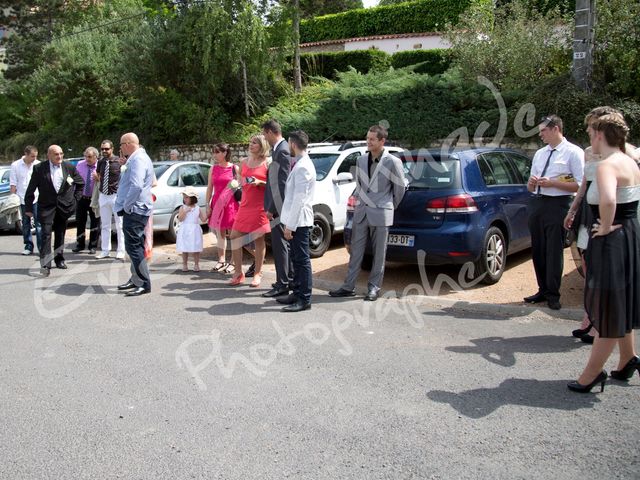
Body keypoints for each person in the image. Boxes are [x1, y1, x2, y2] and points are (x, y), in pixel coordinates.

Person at [568, 112, 640, 393]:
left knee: (609, 307)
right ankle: (626, 360)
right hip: (631, 234)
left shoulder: (607, 165)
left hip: (613, 240)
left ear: (599, 134)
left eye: (589, 132)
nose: (589, 137)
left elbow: (608, 198)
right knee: (621, 301)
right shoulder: (629, 162)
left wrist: (607, 226)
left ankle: (591, 375)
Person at [329, 125, 405, 301]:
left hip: (381, 212)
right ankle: (348, 286)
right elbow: (360, 186)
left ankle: (374, 288)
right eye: (367, 138)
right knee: (356, 252)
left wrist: (389, 206)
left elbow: (400, 188)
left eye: (372, 139)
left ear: (382, 141)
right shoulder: (361, 160)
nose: (368, 142)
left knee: (379, 253)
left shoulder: (393, 162)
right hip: (362, 211)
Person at [524, 115, 584, 311]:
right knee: (538, 249)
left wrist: (554, 183)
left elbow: (581, 184)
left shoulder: (573, 152)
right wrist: (532, 184)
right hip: (538, 203)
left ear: (556, 128)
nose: (540, 134)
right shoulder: (540, 154)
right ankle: (542, 289)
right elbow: (530, 187)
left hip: (558, 204)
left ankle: (553, 293)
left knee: (553, 250)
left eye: (543, 130)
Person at [24, 145, 84, 276]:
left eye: (61, 153)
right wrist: (28, 207)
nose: (60, 156)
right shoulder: (39, 168)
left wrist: (75, 201)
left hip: (64, 207)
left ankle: (59, 259)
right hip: (46, 207)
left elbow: (80, 183)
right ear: (49, 155)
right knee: (45, 234)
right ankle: (45, 264)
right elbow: (31, 189)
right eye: (56, 154)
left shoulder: (68, 167)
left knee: (60, 234)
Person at [274, 130, 316, 312]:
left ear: (292, 143)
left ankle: (304, 298)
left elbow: (299, 199)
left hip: (299, 221)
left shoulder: (303, 166)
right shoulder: (301, 163)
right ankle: (297, 293)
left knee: (302, 260)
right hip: (296, 220)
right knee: (296, 259)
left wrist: (290, 226)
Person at [114, 133, 155, 297]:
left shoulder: (138, 159)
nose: (121, 148)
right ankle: (136, 278)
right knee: (134, 246)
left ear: (129, 143)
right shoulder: (138, 158)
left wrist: (126, 206)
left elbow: (137, 186)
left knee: (134, 246)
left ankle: (144, 283)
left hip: (135, 209)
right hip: (138, 208)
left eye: (122, 144)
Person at [228, 134, 271, 287]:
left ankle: (258, 273)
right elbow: (240, 181)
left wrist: (260, 182)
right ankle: (238, 273)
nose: (251, 144)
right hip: (245, 205)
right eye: (250, 142)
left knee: (258, 240)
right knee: (234, 236)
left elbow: (272, 186)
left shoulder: (267, 163)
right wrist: (235, 184)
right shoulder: (243, 162)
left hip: (260, 206)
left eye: (255, 142)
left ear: (262, 145)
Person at [261, 119, 293, 298]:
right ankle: (285, 279)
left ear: (270, 132)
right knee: (281, 246)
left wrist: (272, 208)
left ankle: (283, 283)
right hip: (278, 206)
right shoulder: (278, 150)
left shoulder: (282, 150)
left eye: (265, 134)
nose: (265, 138)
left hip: (279, 208)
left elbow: (281, 183)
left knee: (280, 246)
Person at [206, 143, 239, 273]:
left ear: (225, 153)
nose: (214, 155)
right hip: (217, 204)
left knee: (233, 234)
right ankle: (221, 260)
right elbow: (209, 187)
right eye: (213, 152)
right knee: (220, 234)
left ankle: (234, 262)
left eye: (217, 152)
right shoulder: (213, 169)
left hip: (231, 204)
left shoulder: (234, 168)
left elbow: (240, 186)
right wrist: (207, 204)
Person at [94, 140, 125, 260]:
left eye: (106, 149)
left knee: (120, 224)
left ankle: (121, 250)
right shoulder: (101, 162)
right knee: (105, 224)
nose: (104, 151)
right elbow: (98, 176)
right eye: (102, 149)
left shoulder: (119, 161)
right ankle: (105, 250)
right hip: (103, 195)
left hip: (115, 195)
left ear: (112, 148)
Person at [9, 145, 41, 256]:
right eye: (32, 156)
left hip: (36, 197)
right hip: (22, 198)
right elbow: (13, 183)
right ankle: (28, 246)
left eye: (36, 156)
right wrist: (12, 198)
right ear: (26, 154)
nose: (34, 159)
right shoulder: (15, 165)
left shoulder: (38, 164)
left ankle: (41, 247)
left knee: (39, 223)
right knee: (26, 224)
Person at [72, 147, 100, 255]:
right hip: (82, 198)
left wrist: (98, 179)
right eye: (86, 156)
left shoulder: (100, 165)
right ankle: (80, 244)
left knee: (95, 222)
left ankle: (92, 246)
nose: (87, 159)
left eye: (89, 157)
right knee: (80, 222)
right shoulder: (80, 165)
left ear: (96, 157)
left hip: (94, 199)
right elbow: (75, 180)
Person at [176, 186, 207, 272]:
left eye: (187, 197)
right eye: (184, 197)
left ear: (193, 198)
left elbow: (203, 219)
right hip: (185, 229)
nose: (185, 199)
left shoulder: (198, 208)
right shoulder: (182, 208)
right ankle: (185, 265)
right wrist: (185, 211)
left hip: (194, 230)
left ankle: (196, 264)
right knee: (185, 248)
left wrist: (209, 213)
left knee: (195, 248)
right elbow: (180, 219)